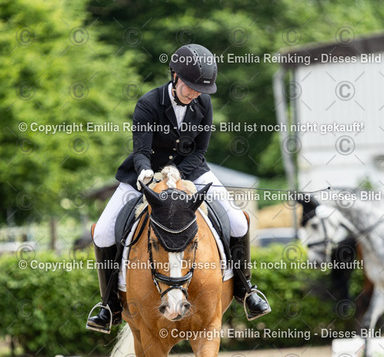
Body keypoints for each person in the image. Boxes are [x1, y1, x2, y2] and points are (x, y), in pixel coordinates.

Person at [86, 43, 271, 332]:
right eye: (190, 87)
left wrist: (177, 174)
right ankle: (109, 305)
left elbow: (200, 151)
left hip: (192, 172)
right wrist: (147, 172)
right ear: (175, 76)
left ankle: (246, 290)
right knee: (103, 232)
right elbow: (141, 152)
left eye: (200, 89)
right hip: (146, 174)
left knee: (238, 221)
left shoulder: (203, 103)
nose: (194, 94)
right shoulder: (149, 103)